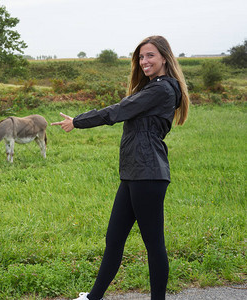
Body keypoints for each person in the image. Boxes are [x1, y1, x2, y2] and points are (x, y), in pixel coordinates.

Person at [51, 35, 190, 300]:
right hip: (134, 173)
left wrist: (78, 121)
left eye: (150, 55)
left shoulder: (161, 89)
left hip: (148, 174)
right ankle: (93, 297)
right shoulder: (152, 88)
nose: (144, 61)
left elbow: (118, 110)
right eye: (141, 57)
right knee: (114, 238)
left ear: (164, 57)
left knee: (154, 244)